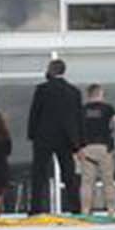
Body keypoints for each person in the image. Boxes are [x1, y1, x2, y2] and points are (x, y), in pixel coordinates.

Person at [25, 59, 83, 214]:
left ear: (50, 70)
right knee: (69, 175)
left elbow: (35, 113)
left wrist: (32, 134)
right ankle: (75, 208)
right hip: (66, 138)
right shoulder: (74, 92)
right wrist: (78, 143)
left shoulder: (42, 90)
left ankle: (36, 208)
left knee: (39, 174)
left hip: (43, 137)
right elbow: (78, 118)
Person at [75, 85, 115, 216]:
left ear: (88, 95)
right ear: (100, 93)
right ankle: (111, 211)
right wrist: (110, 130)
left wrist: (78, 147)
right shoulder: (107, 108)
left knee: (87, 182)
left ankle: (85, 211)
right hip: (104, 147)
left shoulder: (81, 110)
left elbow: (75, 128)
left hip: (87, 148)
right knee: (108, 181)